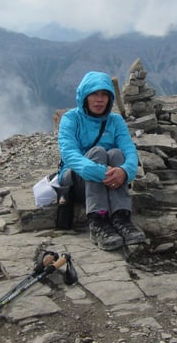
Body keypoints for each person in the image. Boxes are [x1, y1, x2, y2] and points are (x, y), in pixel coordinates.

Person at [58, 71, 146, 250]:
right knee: (98, 151)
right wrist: (99, 171)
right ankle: (97, 221)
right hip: (76, 181)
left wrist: (125, 171)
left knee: (116, 154)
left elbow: (130, 151)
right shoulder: (71, 119)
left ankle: (121, 217)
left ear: (110, 98)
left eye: (104, 94)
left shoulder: (115, 121)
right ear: (84, 96)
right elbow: (69, 154)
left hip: (109, 178)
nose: (99, 99)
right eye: (94, 94)